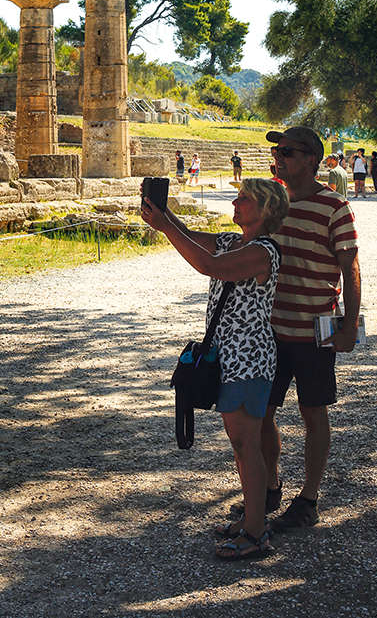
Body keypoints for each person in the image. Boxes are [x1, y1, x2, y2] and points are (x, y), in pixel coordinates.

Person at [142, 178, 289, 560]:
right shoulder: (232, 241)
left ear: (266, 209)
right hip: (230, 359)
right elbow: (192, 238)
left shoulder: (263, 252)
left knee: (247, 446)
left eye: (246, 199)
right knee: (241, 446)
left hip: (249, 359)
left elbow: (210, 266)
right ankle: (252, 519)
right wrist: (163, 212)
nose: (236, 203)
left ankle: (256, 533)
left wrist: (165, 226)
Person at [262, 126, 360, 532]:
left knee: (312, 412)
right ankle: (269, 488)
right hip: (268, 330)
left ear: (311, 161)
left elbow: (349, 268)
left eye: (288, 151)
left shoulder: (334, 206)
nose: (279, 157)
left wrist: (350, 326)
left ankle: (308, 499)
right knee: (261, 411)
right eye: (277, 151)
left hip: (314, 332)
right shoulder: (272, 202)